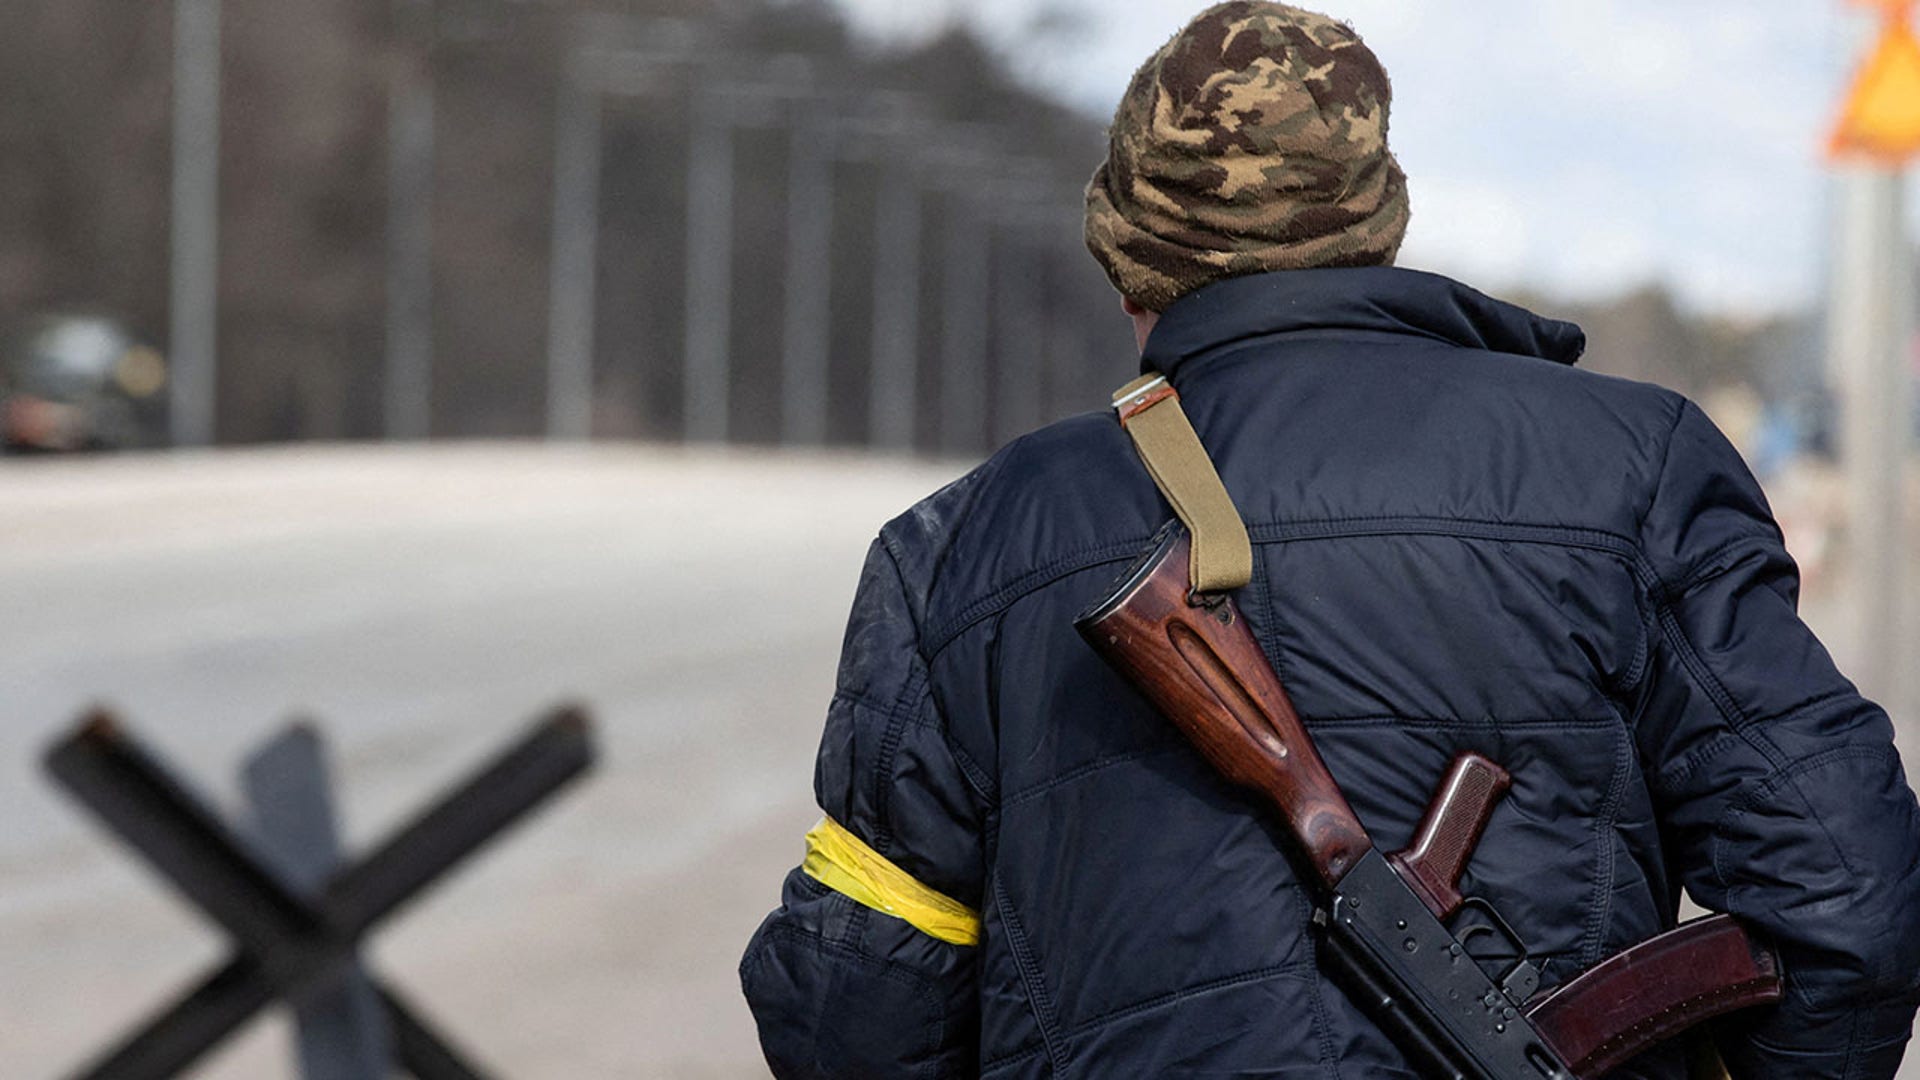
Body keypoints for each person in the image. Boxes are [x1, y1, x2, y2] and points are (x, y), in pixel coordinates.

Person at [738, 3, 1920, 1076]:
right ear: (1380, 220)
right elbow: (1847, 889)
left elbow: (855, 1009)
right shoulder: (1631, 467)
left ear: (1128, 260)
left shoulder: (967, 542)